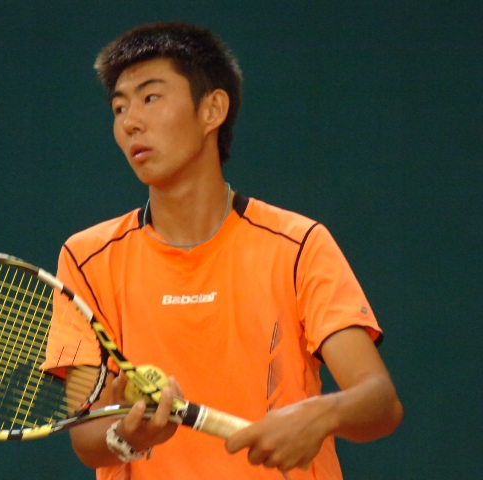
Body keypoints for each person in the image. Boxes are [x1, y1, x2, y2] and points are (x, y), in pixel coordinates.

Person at [43, 22, 403, 479]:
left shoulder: (298, 245)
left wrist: (321, 414)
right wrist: (127, 436)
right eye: (119, 107)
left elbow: (380, 402)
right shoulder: (86, 259)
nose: (130, 121)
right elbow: (86, 437)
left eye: (150, 98)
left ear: (212, 109)